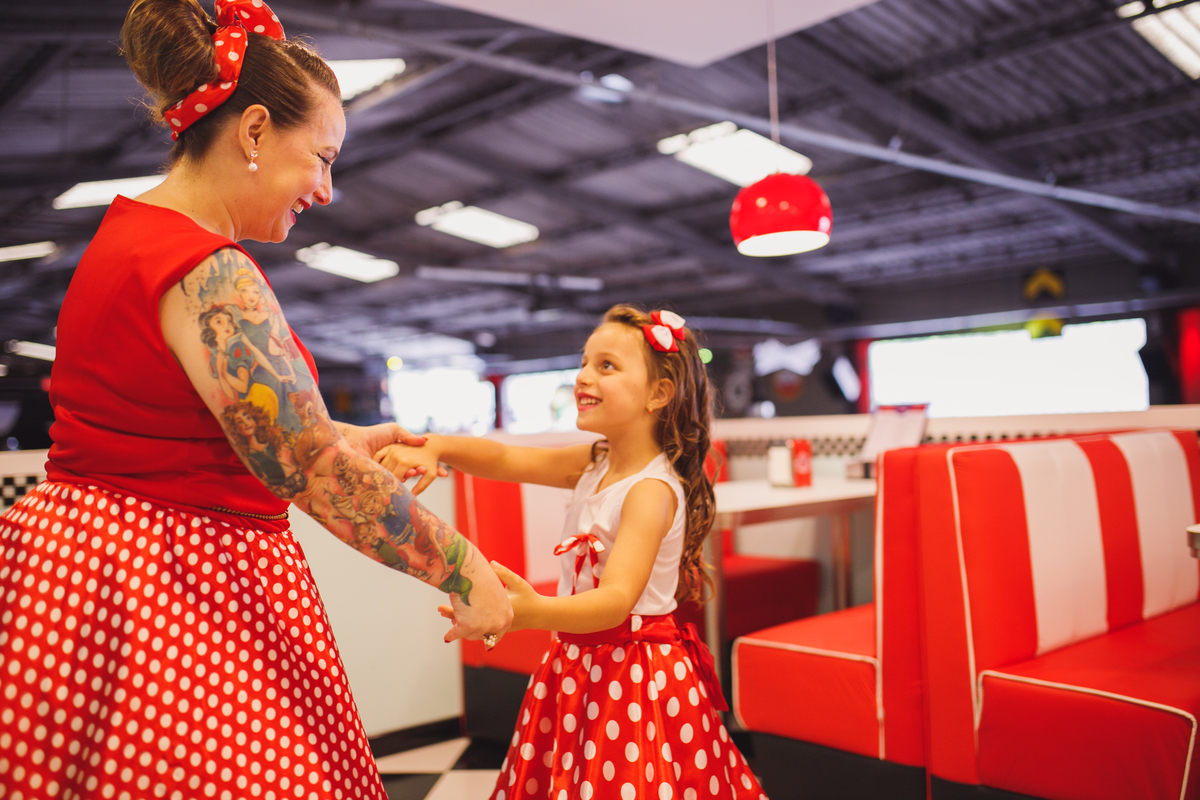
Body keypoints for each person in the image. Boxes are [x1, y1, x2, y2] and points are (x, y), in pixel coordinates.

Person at [0, 1, 511, 797]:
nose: (328, 189)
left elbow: (188, 418)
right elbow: (307, 467)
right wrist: (465, 569)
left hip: (94, 573)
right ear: (254, 131)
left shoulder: (127, 235)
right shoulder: (209, 269)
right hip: (172, 587)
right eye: (322, 156)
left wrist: (332, 431)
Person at [376, 306, 768, 800]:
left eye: (606, 365)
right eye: (584, 362)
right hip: (578, 664)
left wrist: (533, 612)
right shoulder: (598, 461)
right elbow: (506, 457)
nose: (583, 375)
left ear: (658, 394)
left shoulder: (650, 490)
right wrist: (434, 446)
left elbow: (617, 599)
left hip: (634, 676)